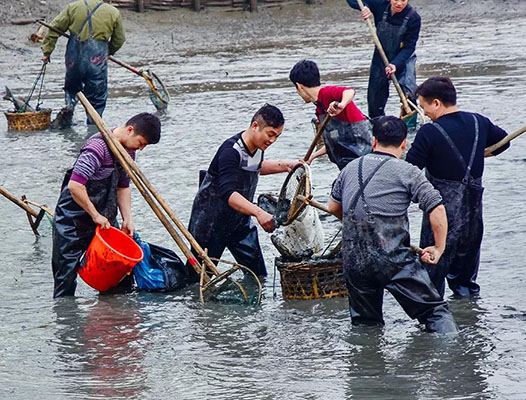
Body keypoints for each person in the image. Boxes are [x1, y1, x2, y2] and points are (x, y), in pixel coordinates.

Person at [328, 115, 457, 332]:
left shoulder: (349, 168)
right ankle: (453, 359)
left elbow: (333, 208)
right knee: (435, 313)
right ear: (404, 143)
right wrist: (439, 247)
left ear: (374, 141)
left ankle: (368, 365)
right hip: (393, 259)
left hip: (354, 261)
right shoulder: (408, 171)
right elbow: (437, 207)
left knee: (366, 325)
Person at [405, 77, 510, 298]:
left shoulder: (429, 132)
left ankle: (435, 330)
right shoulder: (479, 121)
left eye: (424, 107)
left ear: (436, 103)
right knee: (466, 286)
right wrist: (483, 153)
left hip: (440, 219)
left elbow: (409, 170)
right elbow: (504, 142)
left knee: (430, 283)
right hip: (473, 219)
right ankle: (469, 325)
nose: (426, 113)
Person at [52, 113, 161, 298]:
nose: (141, 149)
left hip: (105, 218)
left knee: (118, 276)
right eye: (141, 143)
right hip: (73, 219)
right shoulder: (96, 148)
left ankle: (112, 318)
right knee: (65, 278)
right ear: (130, 130)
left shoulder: (128, 151)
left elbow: (123, 187)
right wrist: (95, 215)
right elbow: (75, 186)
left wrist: (128, 219)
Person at [187, 104, 298, 278]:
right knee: (198, 278)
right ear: (255, 126)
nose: (272, 141)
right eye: (270, 134)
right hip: (211, 224)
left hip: (239, 222)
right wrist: (259, 213)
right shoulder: (231, 151)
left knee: (258, 275)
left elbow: (255, 166)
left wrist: (284, 166)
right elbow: (229, 194)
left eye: (277, 136)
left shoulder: (257, 147)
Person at [42, 0, 125, 124]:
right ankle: (93, 127)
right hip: (97, 61)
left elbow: (54, 29)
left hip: (73, 60)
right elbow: (119, 39)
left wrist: (47, 51)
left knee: (71, 89)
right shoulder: (113, 12)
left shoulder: (73, 7)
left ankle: (68, 114)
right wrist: (108, 52)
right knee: (97, 97)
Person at [289, 59, 373, 170]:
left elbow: (349, 91)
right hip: (347, 163)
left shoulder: (327, 93)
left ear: (299, 86)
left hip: (363, 160)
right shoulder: (320, 108)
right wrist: (312, 157)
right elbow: (335, 140)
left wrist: (342, 105)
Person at [347, 0, 421, 119]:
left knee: (409, 95)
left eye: (403, 0)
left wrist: (395, 64)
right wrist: (365, 7)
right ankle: (378, 126)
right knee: (375, 100)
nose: (399, 4)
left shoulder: (413, 17)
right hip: (380, 58)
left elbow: (409, 47)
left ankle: (411, 129)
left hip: (403, 60)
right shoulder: (379, 5)